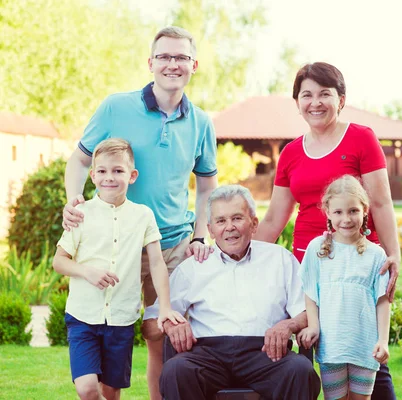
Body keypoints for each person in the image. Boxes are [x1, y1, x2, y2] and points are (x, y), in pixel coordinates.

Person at [60, 26, 218, 399]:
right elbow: (79, 160)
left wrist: (199, 235)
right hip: (119, 244)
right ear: (151, 63)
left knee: (163, 335)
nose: (172, 64)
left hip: (172, 244)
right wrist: (73, 200)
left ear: (193, 65)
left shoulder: (201, 122)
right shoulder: (116, 107)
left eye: (181, 57)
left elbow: (207, 186)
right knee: (103, 337)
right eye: (164, 56)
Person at [254, 61, 399, 399]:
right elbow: (275, 218)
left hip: (357, 265)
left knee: (367, 352)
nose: (315, 102)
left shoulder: (361, 138)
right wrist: (235, 256)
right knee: (310, 349)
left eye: (325, 94)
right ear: (297, 102)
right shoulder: (290, 153)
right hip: (311, 270)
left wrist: (393, 255)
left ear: (341, 99)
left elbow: (380, 203)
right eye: (307, 95)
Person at [142, 185, 321, 400]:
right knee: (176, 370)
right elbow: (150, 325)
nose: (229, 227)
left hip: (266, 353)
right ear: (210, 230)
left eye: (237, 218)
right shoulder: (194, 266)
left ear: (254, 223)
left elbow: (307, 312)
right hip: (207, 355)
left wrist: (288, 325)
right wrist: (170, 325)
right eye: (221, 221)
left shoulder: (280, 259)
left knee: (299, 371)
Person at [53, 138, 184, 400]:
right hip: (82, 317)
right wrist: (87, 271)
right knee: (88, 389)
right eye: (101, 171)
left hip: (121, 319)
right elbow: (59, 261)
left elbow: (157, 263)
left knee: (111, 393)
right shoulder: (81, 214)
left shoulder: (143, 215)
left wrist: (165, 306)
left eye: (117, 171)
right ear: (92, 175)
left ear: (132, 175)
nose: (109, 177)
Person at [297, 175, 390, 400]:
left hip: (364, 344)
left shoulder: (376, 254)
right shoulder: (317, 249)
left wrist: (383, 340)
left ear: (364, 210)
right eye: (338, 212)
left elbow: (382, 301)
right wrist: (314, 326)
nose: (346, 219)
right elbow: (311, 293)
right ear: (327, 212)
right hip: (332, 345)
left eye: (353, 211)